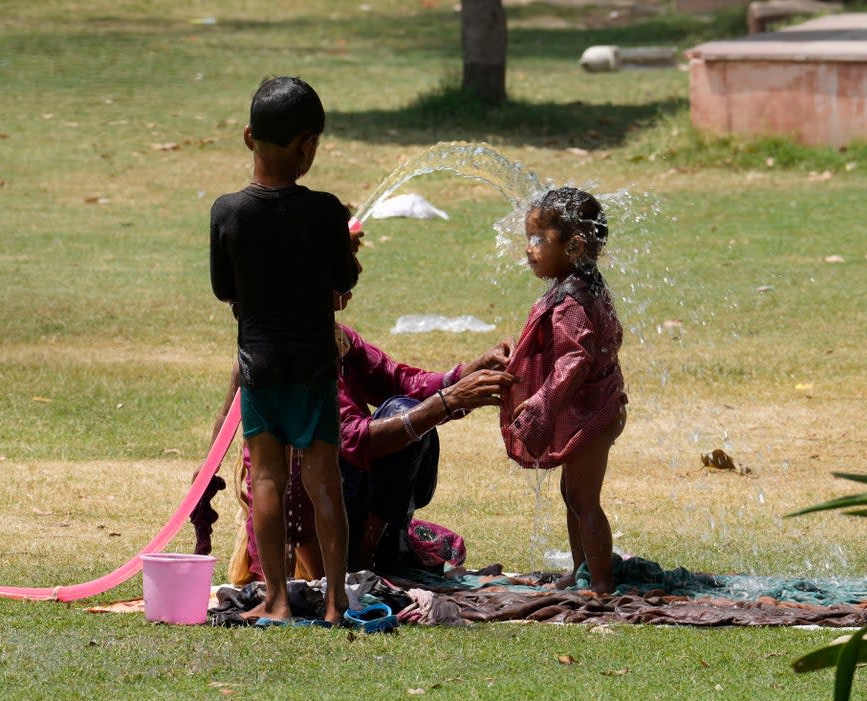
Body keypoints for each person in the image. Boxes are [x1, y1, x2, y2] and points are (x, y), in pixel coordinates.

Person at [204, 290, 517, 584]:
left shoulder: (336, 337)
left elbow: (398, 380)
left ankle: (364, 556)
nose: (355, 272)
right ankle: (358, 566)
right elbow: (354, 438)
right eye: (346, 261)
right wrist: (448, 401)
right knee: (404, 415)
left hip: (334, 496)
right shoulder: (297, 357)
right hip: (304, 526)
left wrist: (468, 373)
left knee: (404, 411)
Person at [209, 75, 359, 625]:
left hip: (260, 366)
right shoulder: (325, 212)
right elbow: (343, 281)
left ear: (249, 137)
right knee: (325, 482)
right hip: (315, 365)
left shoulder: (228, 211)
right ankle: (336, 601)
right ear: (308, 145)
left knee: (266, 478)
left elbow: (225, 289)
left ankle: (274, 599)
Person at [499, 187, 628, 594]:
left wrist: (540, 405)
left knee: (584, 499)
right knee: (572, 494)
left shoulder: (572, 300)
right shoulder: (583, 284)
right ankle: (582, 569)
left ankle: (602, 583)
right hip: (596, 406)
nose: (528, 249)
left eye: (538, 240)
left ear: (574, 246)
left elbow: (574, 361)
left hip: (594, 412)